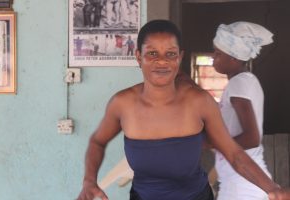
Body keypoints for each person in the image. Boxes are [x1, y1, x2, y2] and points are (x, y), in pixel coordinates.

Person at [77, 19, 290, 200]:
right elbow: (98, 141)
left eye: (170, 54)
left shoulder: (199, 101)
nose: (161, 61)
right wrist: (89, 181)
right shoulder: (122, 103)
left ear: (179, 57)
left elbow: (234, 153)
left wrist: (272, 189)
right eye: (152, 53)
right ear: (138, 56)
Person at [211, 21, 276, 200]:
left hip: (243, 186)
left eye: (217, 54)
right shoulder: (242, 82)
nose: (212, 57)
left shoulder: (239, 83)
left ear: (234, 58)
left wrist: (211, 142)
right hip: (239, 182)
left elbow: (252, 138)